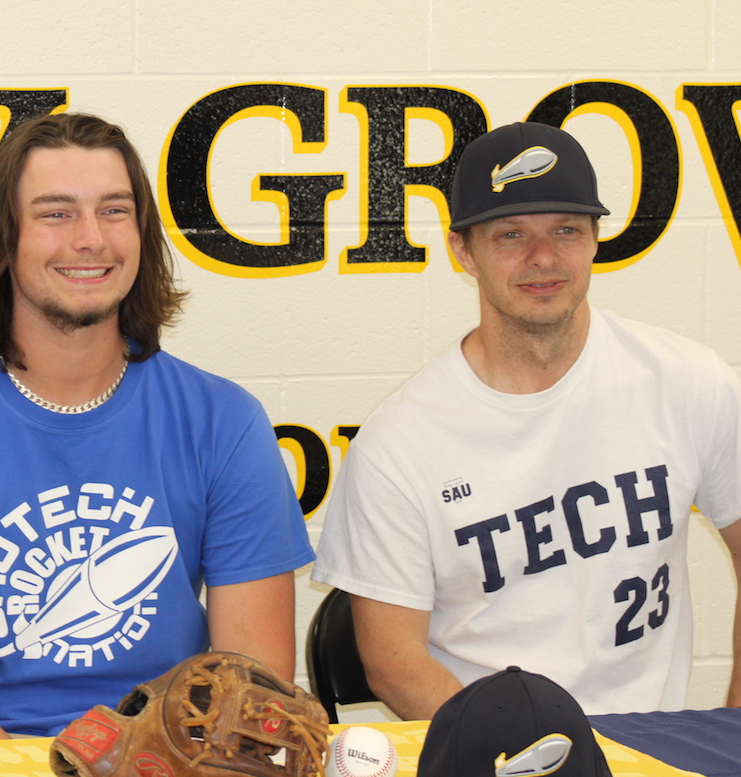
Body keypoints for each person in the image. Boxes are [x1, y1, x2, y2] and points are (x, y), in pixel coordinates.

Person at [0, 113, 312, 740]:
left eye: (114, 210)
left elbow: (254, 674)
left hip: (173, 768)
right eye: (56, 214)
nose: (91, 240)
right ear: (6, 239)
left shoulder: (224, 422)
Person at [312, 121, 741, 719]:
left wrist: (733, 731)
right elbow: (394, 664)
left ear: (596, 239)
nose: (543, 257)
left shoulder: (690, 382)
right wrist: (524, 759)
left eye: (566, 230)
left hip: (656, 754)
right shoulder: (399, 444)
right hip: (492, 761)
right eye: (510, 234)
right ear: (463, 250)